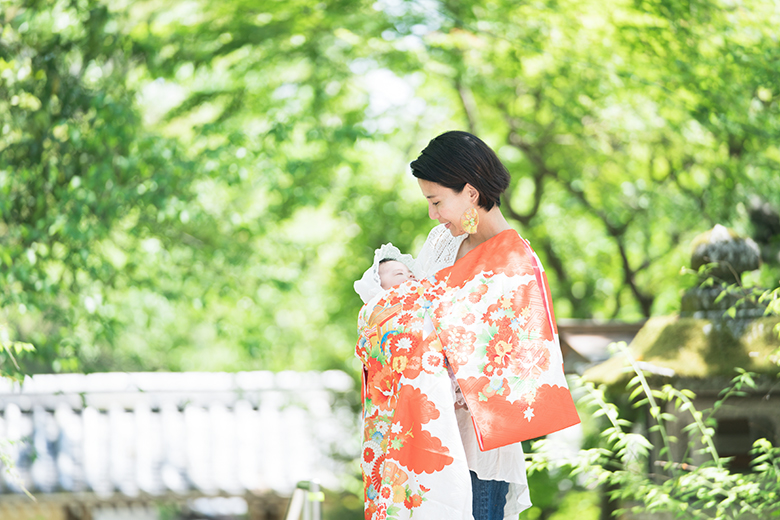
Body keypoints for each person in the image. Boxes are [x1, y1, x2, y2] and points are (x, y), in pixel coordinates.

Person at [355, 131, 580, 520]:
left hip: (477, 451)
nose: (433, 214)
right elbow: (416, 317)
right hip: (421, 442)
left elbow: (509, 373)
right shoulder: (442, 242)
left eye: (437, 201)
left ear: (471, 193)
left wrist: (425, 333)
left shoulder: (517, 265)